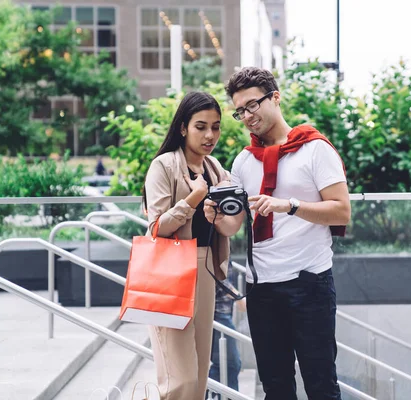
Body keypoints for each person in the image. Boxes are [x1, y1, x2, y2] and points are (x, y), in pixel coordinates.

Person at [203, 67, 351, 399]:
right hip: (262, 289)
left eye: (252, 105)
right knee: (275, 388)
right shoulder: (243, 161)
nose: (247, 116)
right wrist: (215, 217)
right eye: (240, 111)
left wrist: (290, 205)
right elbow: (235, 224)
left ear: (275, 98)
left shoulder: (314, 149)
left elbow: (341, 210)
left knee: (321, 385)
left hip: (309, 283)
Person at [143, 91, 231, 400]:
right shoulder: (164, 166)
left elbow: (230, 224)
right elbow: (156, 228)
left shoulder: (215, 169)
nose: (210, 135)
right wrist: (193, 198)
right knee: (177, 380)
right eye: (201, 126)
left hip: (205, 269)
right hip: (171, 273)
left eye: (216, 127)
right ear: (183, 128)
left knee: (197, 376)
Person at [208, 263, 245, 399]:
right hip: (217, 313)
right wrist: (237, 296)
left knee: (224, 364)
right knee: (231, 363)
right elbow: (215, 273)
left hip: (221, 312)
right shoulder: (217, 241)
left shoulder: (223, 243)